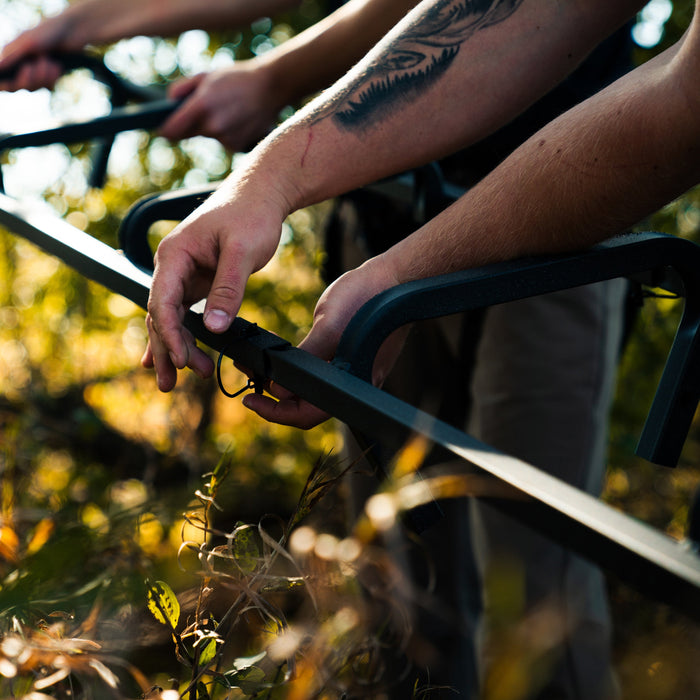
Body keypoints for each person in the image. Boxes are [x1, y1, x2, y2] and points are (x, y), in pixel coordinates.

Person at [1, 0, 677, 696]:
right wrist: (94, 29)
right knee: (392, 582)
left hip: (560, 240)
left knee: (534, 594)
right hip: (381, 219)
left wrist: (276, 103)